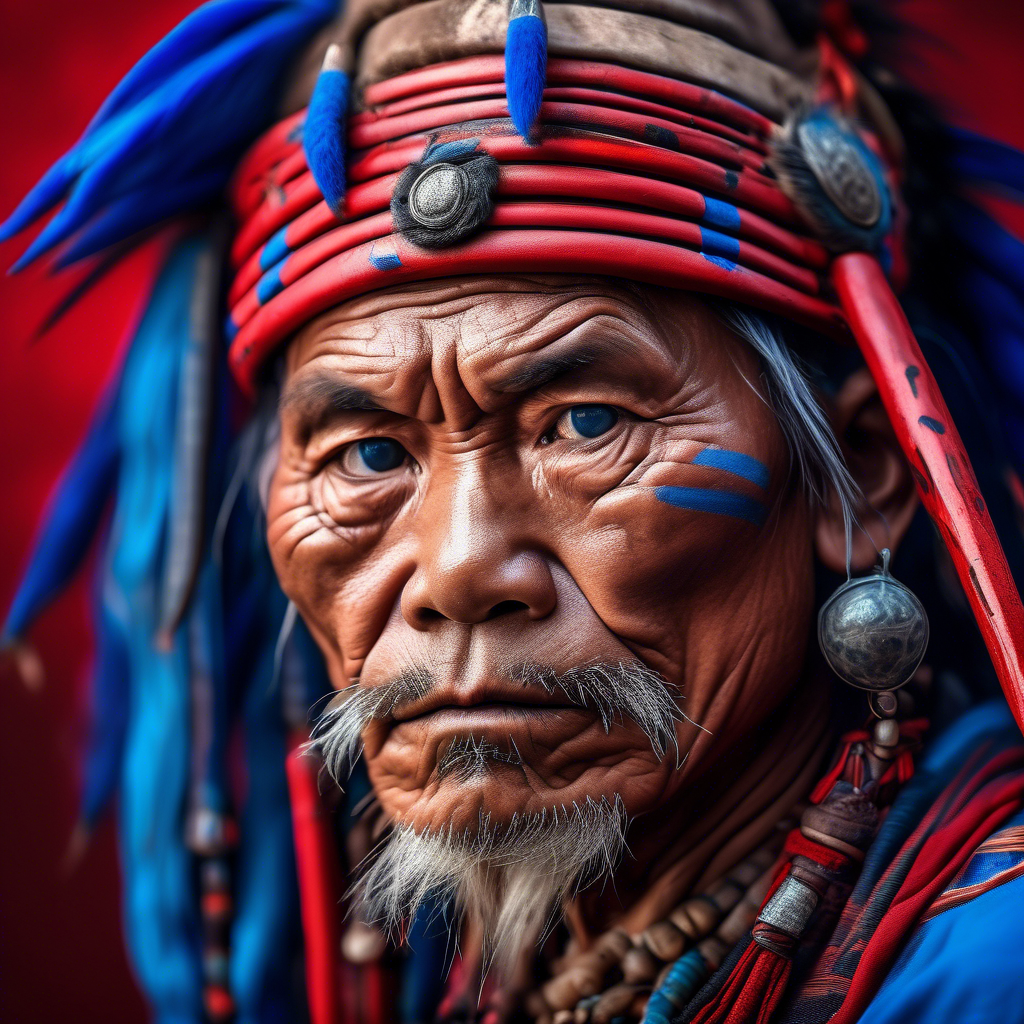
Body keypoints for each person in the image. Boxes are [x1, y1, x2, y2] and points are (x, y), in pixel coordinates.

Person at [6, 1, 1024, 1022]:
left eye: (583, 424)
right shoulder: (494, 972)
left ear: (860, 474)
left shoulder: (989, 971)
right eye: (366, 454)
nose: (457, 571)